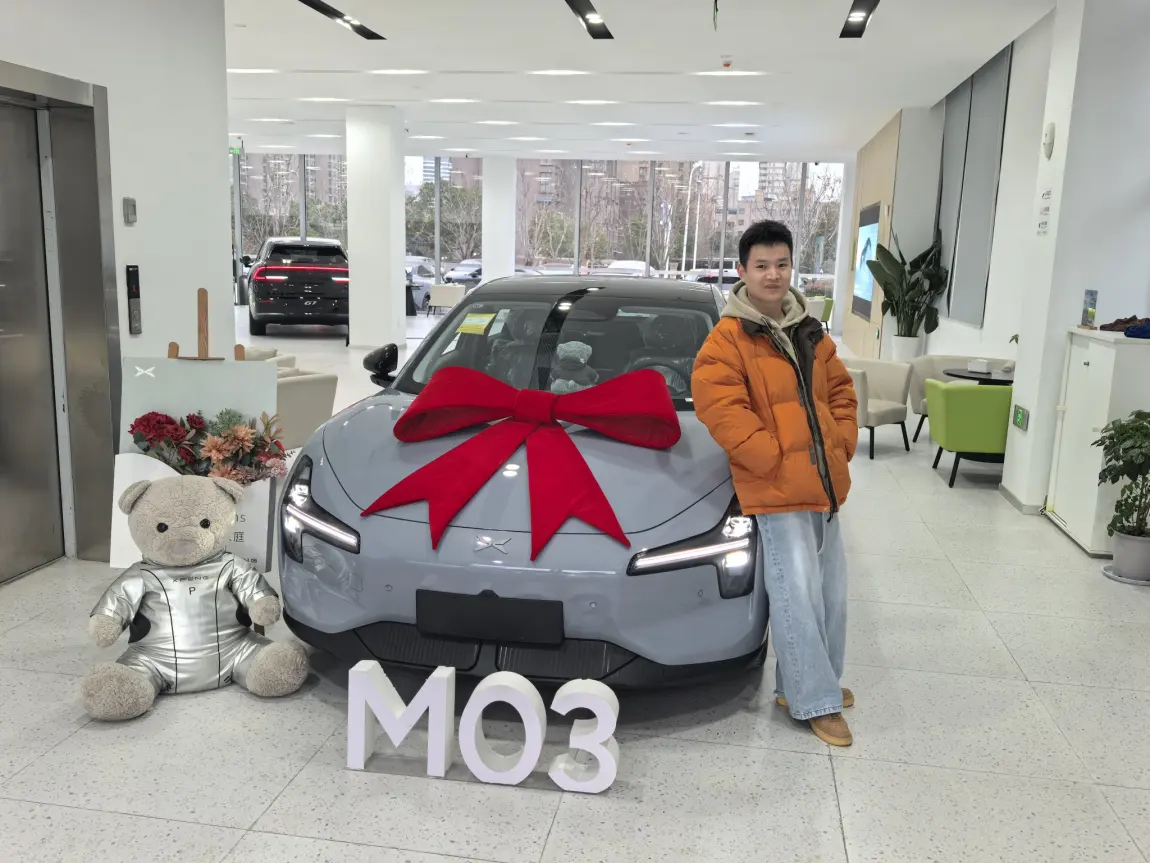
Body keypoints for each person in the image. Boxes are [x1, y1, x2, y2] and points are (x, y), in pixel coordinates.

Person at [691, 220, 859, 746]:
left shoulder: (809, 329)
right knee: (796, 592)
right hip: (778, 487)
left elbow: (841, 392)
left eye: (781, 264)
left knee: (831, 592)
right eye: (761, 265)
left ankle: (811, 680)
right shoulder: (727, 339)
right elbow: (720, 407)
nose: (773, 274)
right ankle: (815, 699)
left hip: (823, 482)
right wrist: (772, 458)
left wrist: (840, 442)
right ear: (742, 271)